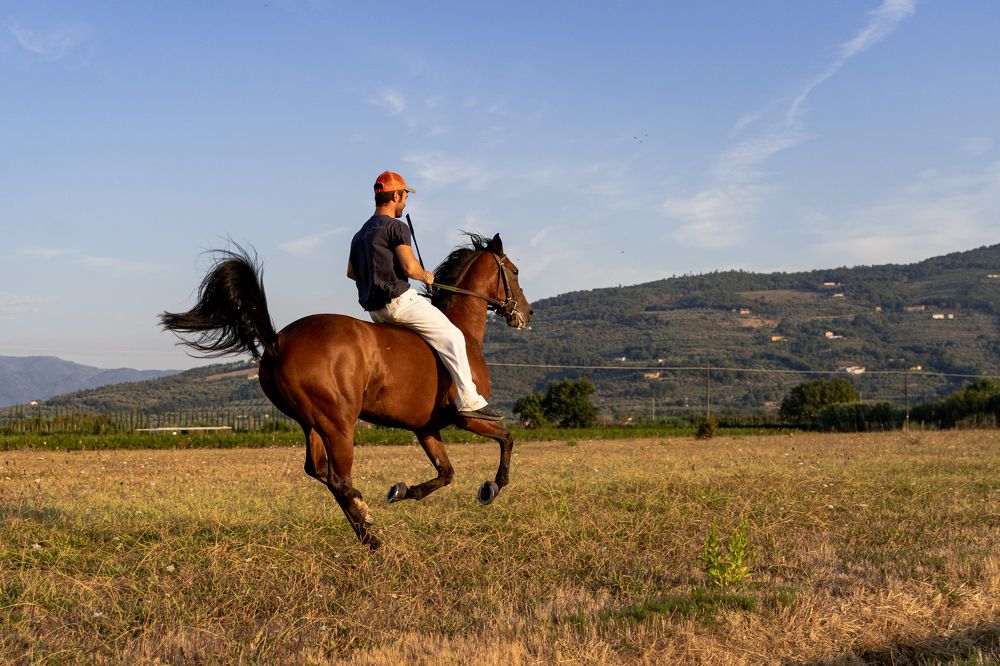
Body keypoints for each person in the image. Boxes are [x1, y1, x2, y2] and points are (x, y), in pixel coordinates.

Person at [346, 170, 504, 421]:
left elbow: (351, 273)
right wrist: (426, 276)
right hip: (399, 303)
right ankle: (468, 399)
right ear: (396, 195)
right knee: (453, 335)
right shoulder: (396, 227)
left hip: (376, 311)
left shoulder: (359, 234)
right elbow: (410, 268)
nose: (406, 202)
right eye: (405, 196)